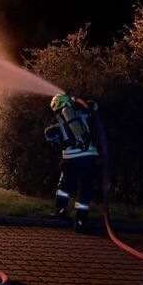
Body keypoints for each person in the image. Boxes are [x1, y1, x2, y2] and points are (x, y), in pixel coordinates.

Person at [44, 93, 99, 233]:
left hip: (70, 159)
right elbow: (94, 107)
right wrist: (81, 101)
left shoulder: (57, 123)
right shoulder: (82, 114)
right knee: (84, 190)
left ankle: (60, 211)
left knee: (64, 187)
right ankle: (80, 222)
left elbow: (52, 137)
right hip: (89, 158)